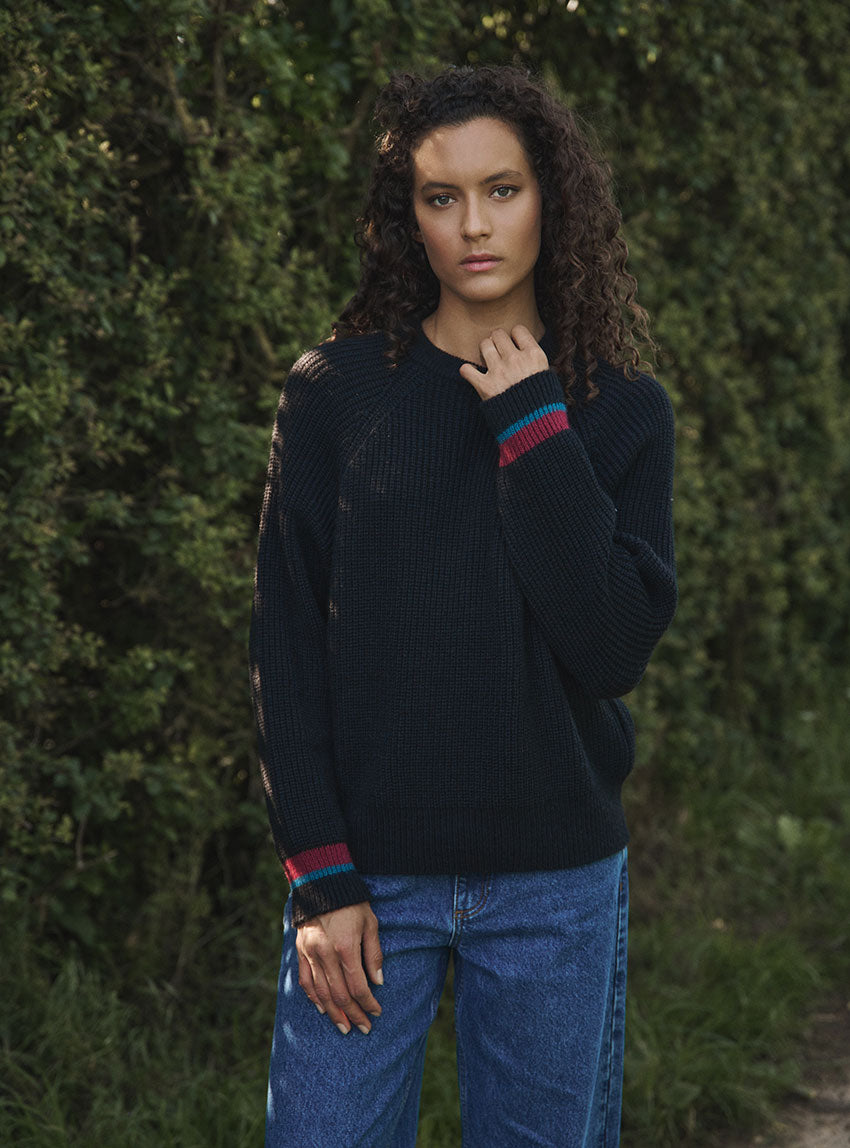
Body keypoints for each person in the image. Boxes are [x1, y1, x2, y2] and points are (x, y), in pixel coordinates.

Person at [249, 62, 678, 1148]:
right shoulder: (335, 395)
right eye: (441, 197)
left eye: (503, 189)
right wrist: (319, 875)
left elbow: (611, 646)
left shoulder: (621, 410)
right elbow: (284, 647)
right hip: (365, 879)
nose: (474, 226)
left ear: (551, 200)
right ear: (410, 220)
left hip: (554, 884)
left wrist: (534, 425)